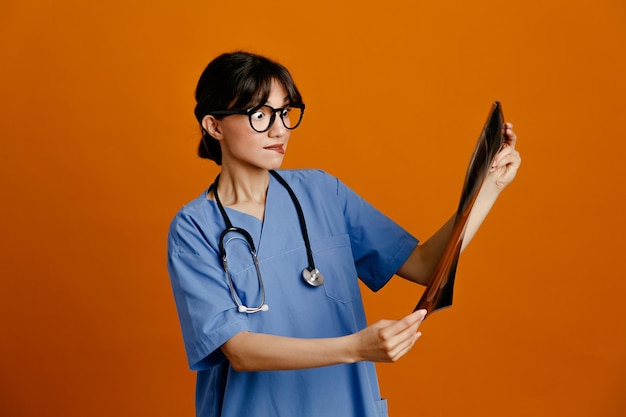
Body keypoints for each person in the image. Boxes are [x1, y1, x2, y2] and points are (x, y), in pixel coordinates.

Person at [167, 51, 521, 417]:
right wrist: (356, 348)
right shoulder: (194, 229)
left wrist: (491, 185)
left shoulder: (323, 192)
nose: (279, 129)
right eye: (260, 115)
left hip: (347, 405)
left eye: (285, 113)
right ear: (214, 126)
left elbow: (426, 265)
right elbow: (239, 350)